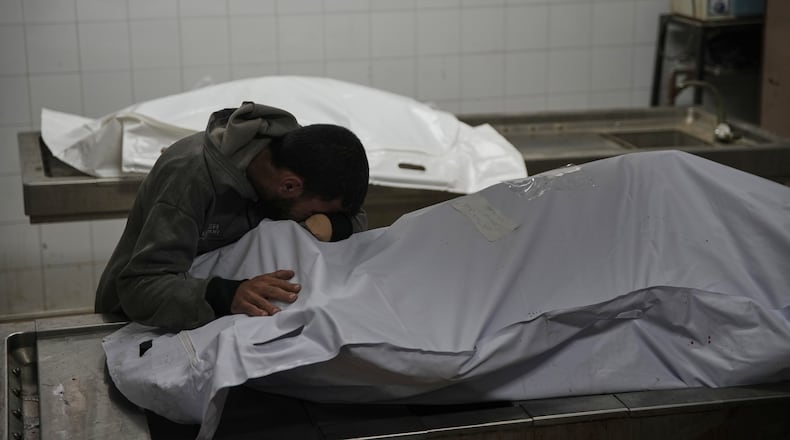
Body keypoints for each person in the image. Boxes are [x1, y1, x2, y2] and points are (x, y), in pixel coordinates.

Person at [95, 102, 369, 331]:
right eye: (313, 212)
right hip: (137, 323)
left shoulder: (295, 161)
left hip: (221, 317)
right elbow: (139, 288)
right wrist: (227, 295)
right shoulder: (190, 176)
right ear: (289, 186)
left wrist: (331, 225)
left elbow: (357, 218)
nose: (313, 219)